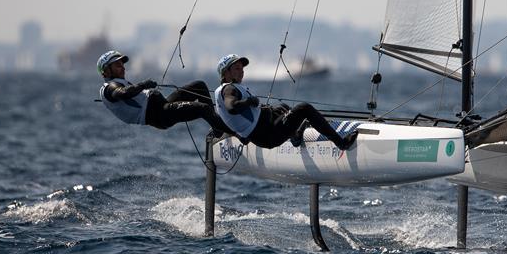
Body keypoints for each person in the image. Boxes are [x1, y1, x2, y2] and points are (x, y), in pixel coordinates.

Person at [213, 53, 358, 150]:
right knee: (304, 108)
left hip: (264, 131)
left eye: (242, 68)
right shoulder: (229, 90)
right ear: (226, 73)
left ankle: (295, 136)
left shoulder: (227, 88)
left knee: (282, 107)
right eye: (237, 68)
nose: (242, 71)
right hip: (267, 135)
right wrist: (249, 101)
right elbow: (231, 106)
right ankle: (341, 143)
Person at [97, 50, 230, 133]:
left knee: (199, 85)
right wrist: (144, 84)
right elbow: (123, 93)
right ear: (106, 71)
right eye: (117, 65)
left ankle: (218, 129)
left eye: (122, 65)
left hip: (163, 105)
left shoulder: (119, 83)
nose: (123, 68)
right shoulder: (109, 88)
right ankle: (234, 132)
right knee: (204, 109)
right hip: (160, 115)